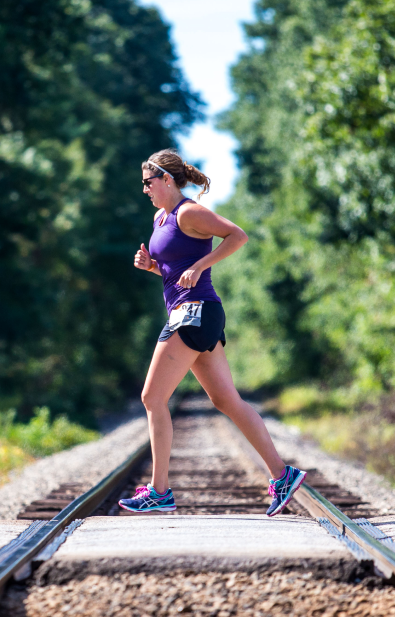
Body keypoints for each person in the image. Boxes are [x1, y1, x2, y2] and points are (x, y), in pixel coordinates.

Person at [117, 149, 306, 516]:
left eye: (148, 182)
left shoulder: (189, 212)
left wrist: (202, 265)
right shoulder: (161, 218)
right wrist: (152, 267)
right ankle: (282, 475)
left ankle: (159, 491)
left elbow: (237, 236)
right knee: (226, 401)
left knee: (152, 397)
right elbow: (176, 272)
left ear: (166, 180)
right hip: (192, 312)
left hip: (195, 313)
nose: (145, 190)